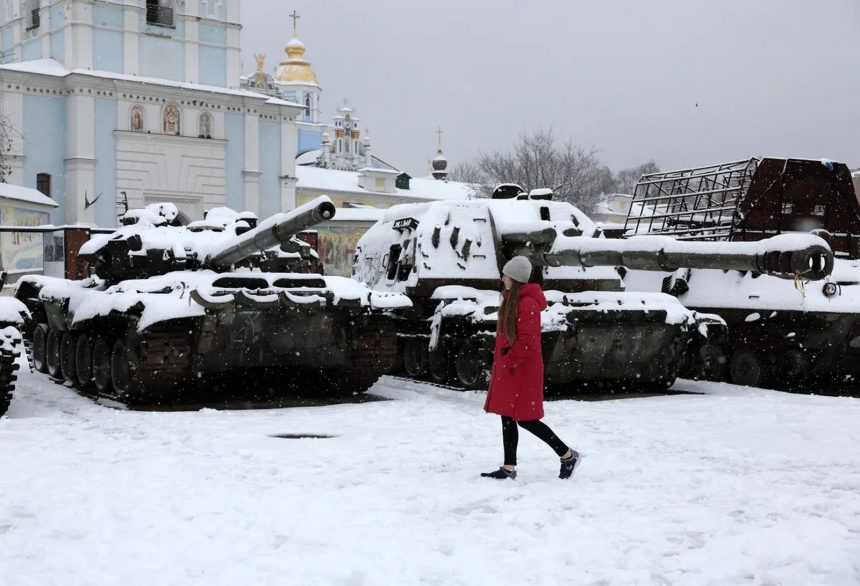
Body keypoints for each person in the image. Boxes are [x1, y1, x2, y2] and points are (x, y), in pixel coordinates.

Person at [481, 256, 581, 480]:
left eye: (506, 274)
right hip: (512, 369)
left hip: (522, 371)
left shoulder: (526, 304)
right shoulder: (512, 300)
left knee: (526, 418)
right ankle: (509, 468)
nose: (502, 277)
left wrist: (509, 358)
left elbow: (528, 341)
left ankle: (567, 455)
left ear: (514, 278)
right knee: (507, 416)